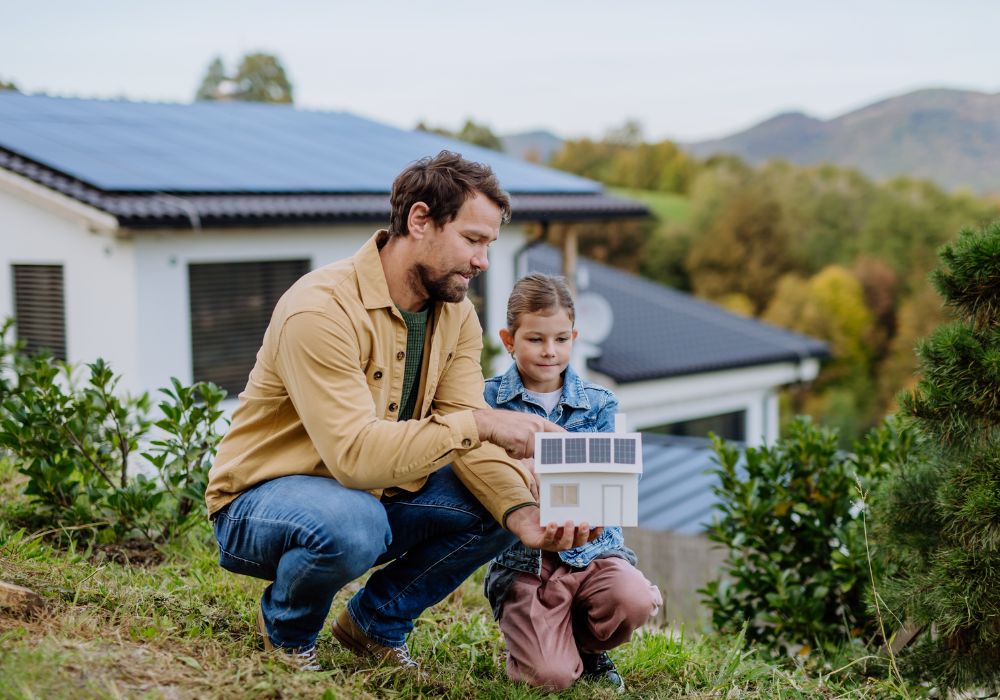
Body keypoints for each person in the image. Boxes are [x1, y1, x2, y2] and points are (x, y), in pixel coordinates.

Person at [205, 151, 596, 672]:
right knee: (355, 522)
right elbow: (355, 458)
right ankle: (291, 632)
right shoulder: (320, 309)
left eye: (489, 244)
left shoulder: (456, 316)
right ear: (419, 220)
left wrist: (524, 515)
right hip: (261, 504)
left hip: (372, 495)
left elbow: (466, 439)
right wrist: (482, 421)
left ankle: (374, 626)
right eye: (473, 240)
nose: (483, 261)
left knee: (502, 493)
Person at [483, 273, 663, 693]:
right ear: (509, 339)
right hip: (525, 562)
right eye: (535, 339)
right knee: (549, 678)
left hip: (593, 551)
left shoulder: (601, 403)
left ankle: (587, 648)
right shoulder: (488, 403)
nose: (550, 351)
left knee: (633, 599)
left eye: (561, 339)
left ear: (574, 337)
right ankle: (544, 645)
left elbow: (619, 476)